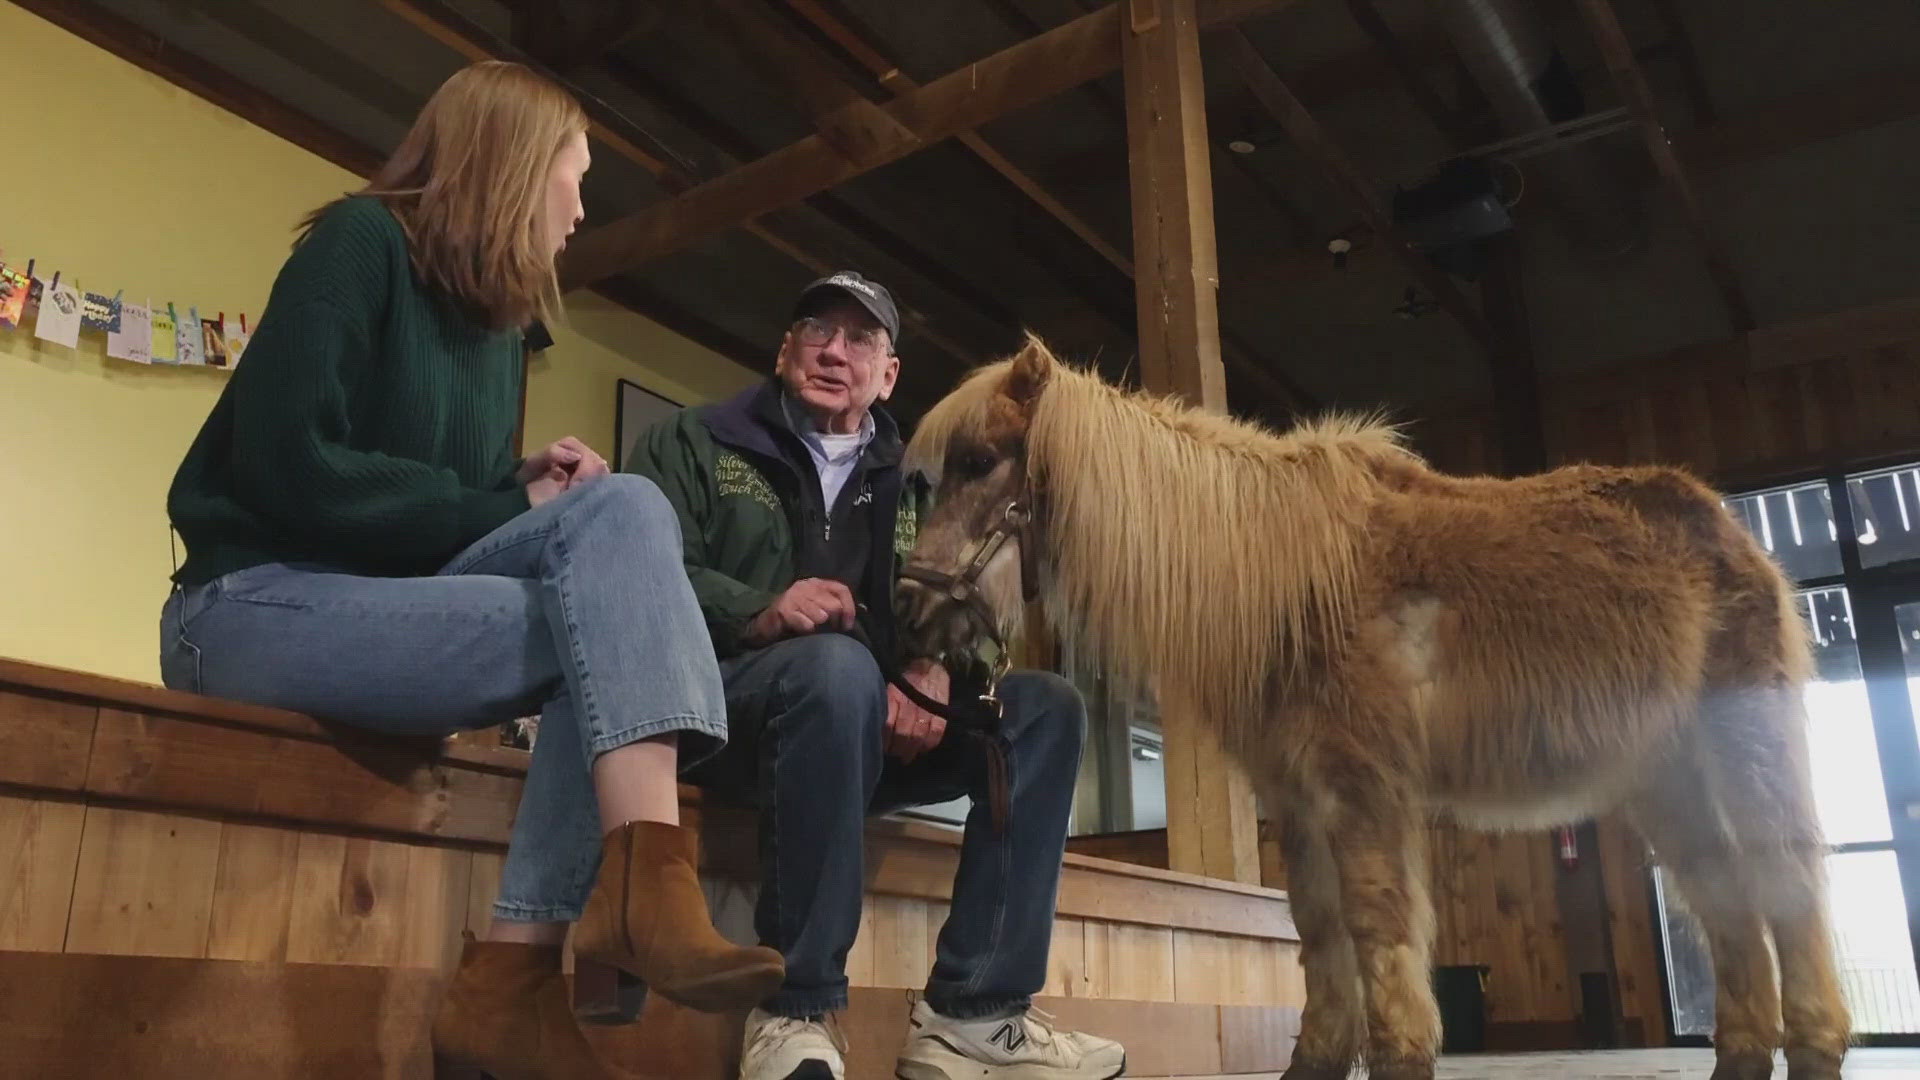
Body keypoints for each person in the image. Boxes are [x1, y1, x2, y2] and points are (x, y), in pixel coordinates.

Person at [158, 60, 782, 1080]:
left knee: (622, 506)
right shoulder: (359, 245)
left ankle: (518, 977)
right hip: (241, 606)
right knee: (609, 585)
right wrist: (503, 503)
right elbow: (288, 462)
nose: (583, 209)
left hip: (381, 610)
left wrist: (517, 479)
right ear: (513, 168)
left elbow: (440, 516)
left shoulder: (499, 330)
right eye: (573, 178)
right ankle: (620, 909)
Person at [624, 271, 1127, 1080]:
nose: (835, 349)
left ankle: (976, 1012)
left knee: (1045, 709)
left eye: (861, 339)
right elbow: (640, 576)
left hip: (872, 737)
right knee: (834, 668)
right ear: (786, 349)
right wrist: (759, 608)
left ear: (888, 375)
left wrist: (933, 667)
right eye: (818, 329)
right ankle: (796, 1007)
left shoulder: (927, 483)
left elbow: (977, 610)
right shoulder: (691, 441)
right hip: (722, 716)